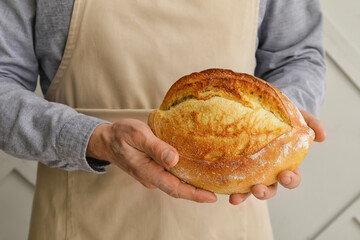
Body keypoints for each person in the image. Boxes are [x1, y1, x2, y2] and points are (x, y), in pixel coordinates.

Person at [0, 0, 326, 239]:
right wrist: (91, 137)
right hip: (76, 221)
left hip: (229, 220)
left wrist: (277, 132)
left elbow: (297, 55)